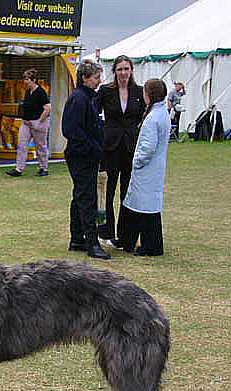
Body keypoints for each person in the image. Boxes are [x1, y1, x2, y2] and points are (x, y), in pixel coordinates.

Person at [61, 59, 111, 260]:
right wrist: (92, 147)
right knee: (87, 197)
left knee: (80, 196)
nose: (99, 81)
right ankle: (92, 242)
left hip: (85, 155)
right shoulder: (79, 99)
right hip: (81, 157)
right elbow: (70, 130)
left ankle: (77, 238)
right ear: (85, 78)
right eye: (96, 77)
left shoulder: (87, 97)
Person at [96, 55, 146, 249]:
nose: (123, 73)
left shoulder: (139, 91)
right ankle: (105, 232)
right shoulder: (105, 91)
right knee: (107, 192)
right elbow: (94, 113)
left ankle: (126, 235)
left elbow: (144, 116)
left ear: (131, 70)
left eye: (126, 69)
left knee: (127, 193)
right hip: (109, 148)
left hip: (130, 148)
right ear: (114, 72)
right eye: (119, 69)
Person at [122, 79, 171, 256]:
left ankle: (150, 246)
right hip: (154, 168)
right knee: (145, 207)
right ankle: (133, 241)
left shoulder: (152, 118)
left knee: (144, 208)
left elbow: (147, 147)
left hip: (147, 169)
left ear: (149, 95)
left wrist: (136, 162)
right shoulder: (162, 113)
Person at [6, 68, 51, 177]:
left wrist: (39, 122)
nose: (25, 81)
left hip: (38, 123)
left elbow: (48, 108)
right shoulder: (27, 92)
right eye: (24, 79)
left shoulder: (41, 92)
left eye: (27, 79)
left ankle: (43, 168)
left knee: (40, 146)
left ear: (34, 80)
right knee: (22, 145)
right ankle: (18, 169)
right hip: (26, 123)